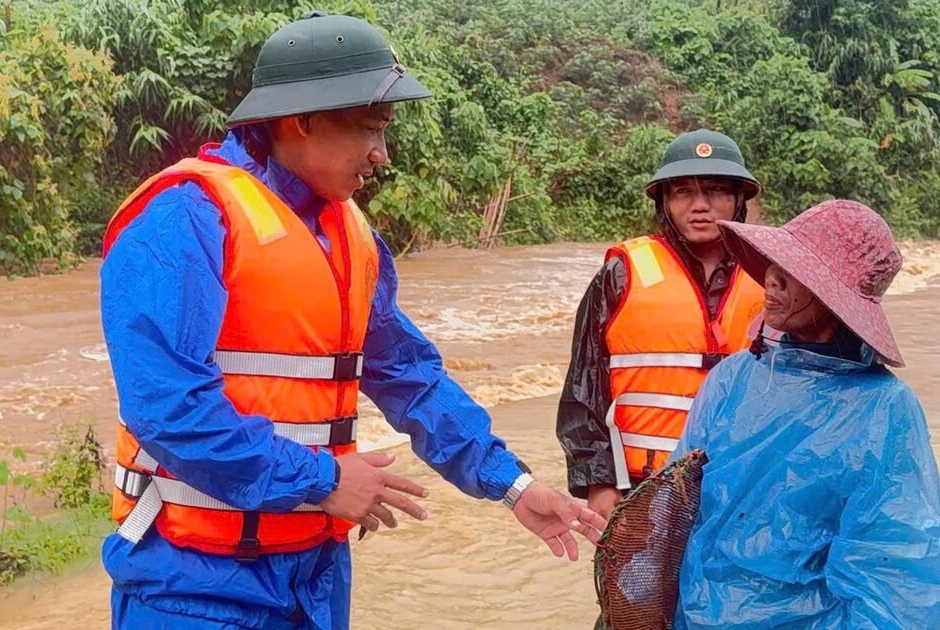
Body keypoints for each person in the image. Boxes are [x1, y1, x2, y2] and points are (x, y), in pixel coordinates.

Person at [98, 12, 604, 629]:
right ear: (301, 122)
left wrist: (514, 485)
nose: (382, 155)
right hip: (192, 585)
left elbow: (409, 377)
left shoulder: (349, 236)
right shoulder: (183, 218)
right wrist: (320, 479)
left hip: (315, 576)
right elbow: (168, 408)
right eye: (369, 128)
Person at [671, 199, 940, 629]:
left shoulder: (884, 410)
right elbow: (673, 507)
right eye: (775, 263)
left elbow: (892, 576)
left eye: (795, 270)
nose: (773, 279)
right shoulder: (733, 378)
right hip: (695, 614)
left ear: (833, 296)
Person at [556, 129, 767, 520]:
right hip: (645, 487)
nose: (700, 206)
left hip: (746, 486)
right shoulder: (620, 274)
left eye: (717, 190)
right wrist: (598, 482)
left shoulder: (772, 276)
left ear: (739, 200)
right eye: (683, 192)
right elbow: (584, 385)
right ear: (665, 202)